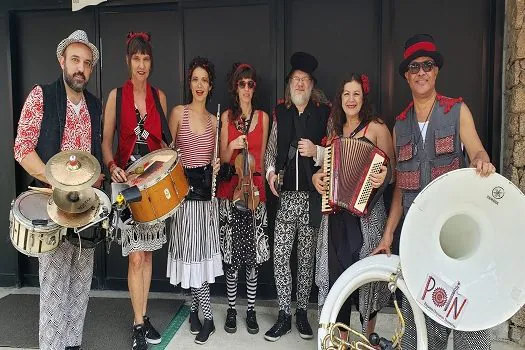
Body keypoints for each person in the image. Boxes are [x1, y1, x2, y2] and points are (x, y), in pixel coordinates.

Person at [371, 33, 495, 350]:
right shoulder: (399, 126)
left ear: (436, 71)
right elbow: (400, 185)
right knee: (423, 321)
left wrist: (482, 161)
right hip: (420, 239)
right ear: (407, 76)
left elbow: (478, 152)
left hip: (457, 237)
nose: (421, 72)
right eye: (414, 67)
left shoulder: (457, 111)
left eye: (427, 65)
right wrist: (387, 236)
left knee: (467, 315)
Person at [13, 30, 103, 350]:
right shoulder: (42, 95)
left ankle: (72, 345)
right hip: (52, 206)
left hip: (86, 210)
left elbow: (94, 160)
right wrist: (56, 180)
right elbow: (23, 149)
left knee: (80, 287)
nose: (81, 68)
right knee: (53, 290)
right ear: (61, 60)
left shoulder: (94, 105)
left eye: (87, 63)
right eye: (75, 60)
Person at [101, 32, 168, 350]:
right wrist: (112, 164)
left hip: (152, 186)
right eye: (136, 58)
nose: (141, 65)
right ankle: (138, 325)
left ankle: (143, 314)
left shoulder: (160, 97)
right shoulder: (116, 95)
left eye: (146, 59)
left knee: (149, 254)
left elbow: (165, 144)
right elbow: (105, 141)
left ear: (150, 62)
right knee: (136, 258)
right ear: (128, 61)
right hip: (126, 186)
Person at [312, 73, 393, 338]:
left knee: (366, 277)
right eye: (346, 94)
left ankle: (368, 337)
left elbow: (393, 171)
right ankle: (343, 339)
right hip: (336, 215)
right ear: (340, 99)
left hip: (367, 216)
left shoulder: (378, 128)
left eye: (356, 93)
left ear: (363, 98)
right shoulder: (334, 129)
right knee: (339, 275)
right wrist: (317, 178)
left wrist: (385, 174)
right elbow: (326, 170)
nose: (351, 99)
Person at [264, 51, 330, 342]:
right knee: (280, 256)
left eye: (305, 80)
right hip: (288, 196)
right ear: (290, 83)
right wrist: (269, 173)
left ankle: (302, 312)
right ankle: (283, 313)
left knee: (306, 258)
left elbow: (337, 153)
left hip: (313, 199)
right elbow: (271, 148)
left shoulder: (325, 114)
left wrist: (316, 151)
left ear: (312, 84)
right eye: (296, 79)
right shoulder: (281, 112)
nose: (300, 84)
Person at [167, 56, 222, 345]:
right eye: (195, 79)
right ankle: (195, 310)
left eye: (204, 80)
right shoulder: (178, 113)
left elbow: (219, 161)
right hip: (182, 199)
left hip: (205, 202)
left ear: (210, 86)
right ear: (189, 83)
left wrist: (216, 165)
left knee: (198, 258)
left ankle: (207, 317)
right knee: (189, 256)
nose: (199, 85)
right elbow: (167, 155)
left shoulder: (216, 121)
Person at [216, 63, 270, 335]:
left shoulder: (263, 117)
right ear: (235, 88)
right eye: (242, 84)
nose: (247, 89)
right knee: (231, 256)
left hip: (255, 192)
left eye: (250, 84)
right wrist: (232, 146)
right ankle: (231, 309)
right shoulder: (227, 117)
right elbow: (223, 158)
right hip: (230, 190)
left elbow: (263, 158)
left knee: (252, 257)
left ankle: (250, 309)